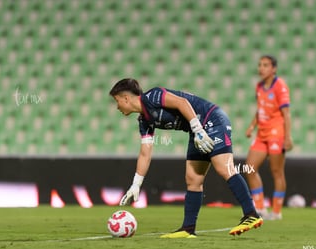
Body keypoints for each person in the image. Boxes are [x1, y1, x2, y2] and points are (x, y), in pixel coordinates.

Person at [109, 78, 263, 238]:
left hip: (212, 120)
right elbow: (145, 153)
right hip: (196, 130)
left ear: (126, 98)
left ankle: (251, 214)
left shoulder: (153, 96)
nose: (117, 106)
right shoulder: (144, 122)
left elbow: (181, 103)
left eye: (117, 100)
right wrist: (136, 184)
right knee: (193, 179)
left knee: (224, 167)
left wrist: (199, 130)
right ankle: (188, 228)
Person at [245, 55, 293, 220]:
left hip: (276, 133)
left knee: (276, 171)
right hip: (262, 133)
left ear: (274, 69)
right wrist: (252, 126)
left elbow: (286, 114)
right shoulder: (259, 86)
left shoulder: (280, 86)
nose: (261, 68)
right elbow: (260, 110)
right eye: (260, 65)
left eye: (265, 65)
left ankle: (277, 211)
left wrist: (288, 137)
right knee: (250, 168)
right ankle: (260, 209)